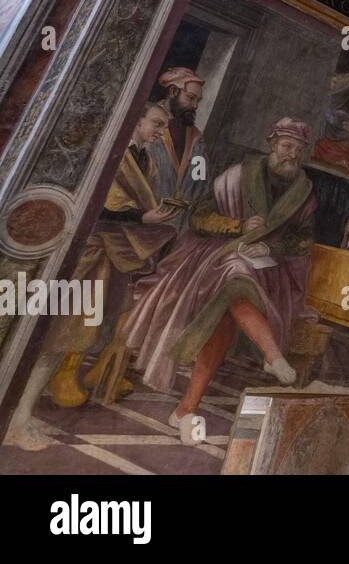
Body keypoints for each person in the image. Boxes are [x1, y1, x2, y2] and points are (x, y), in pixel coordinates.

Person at [122, 118, 318, 444]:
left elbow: (303, 241)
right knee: (234, 271)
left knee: (224, 322)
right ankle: (272, 356)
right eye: (287, 147)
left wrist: (270, 245)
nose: (292, 155)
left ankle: (186, 409)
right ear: (272, 144)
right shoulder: (237, 176)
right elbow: (200, 216)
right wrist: (238, 226)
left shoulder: (304, 194)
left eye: (298, 150)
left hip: (269, 272)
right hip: (212, 261)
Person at [6, 104, 182, 449]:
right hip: (77, 256)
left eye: (164, 127)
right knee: (39, 335)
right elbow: (96, 201)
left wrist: (143, 217)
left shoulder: (144, 160)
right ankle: (16, 417)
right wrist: (140, 218)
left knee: (63, 339)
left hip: (101, 259)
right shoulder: (109, 151)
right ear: (137, 119)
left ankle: (21, 416)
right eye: (156, 124)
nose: (160, 132)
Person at [148, 67, 208, 221]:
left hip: (178, 221)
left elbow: (199, 178)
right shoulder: (144, 123)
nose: (195, 106)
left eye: (198, 101)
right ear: (173, 92)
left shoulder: (196, 137)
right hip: (144, 215)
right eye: (190, 98)